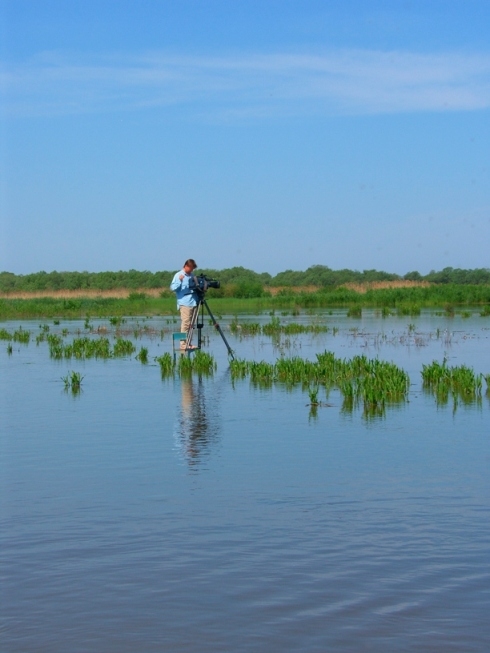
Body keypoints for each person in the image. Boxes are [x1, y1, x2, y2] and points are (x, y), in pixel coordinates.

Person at [170, 258, 199, 349]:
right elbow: (172, 288)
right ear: (185, 266)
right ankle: (183, 345)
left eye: (193, 269)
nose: (191, 270)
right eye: (190, 268)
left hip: (194, 302)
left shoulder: (192, 275)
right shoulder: (178, 275)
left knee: (191, 325)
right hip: (185, 303)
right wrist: (180, 281)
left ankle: (189, 343)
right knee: (186, 323)